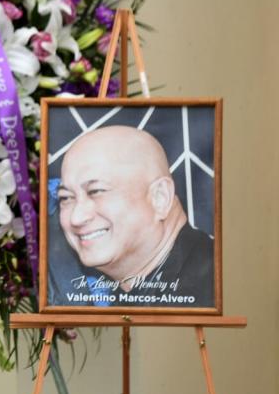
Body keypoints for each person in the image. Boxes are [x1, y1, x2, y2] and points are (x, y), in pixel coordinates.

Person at [52, 125, 214, 307]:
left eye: (96, 191)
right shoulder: (140, 292)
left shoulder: (208, 288)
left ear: (160, 198)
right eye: (65, 198)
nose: (76, 218)